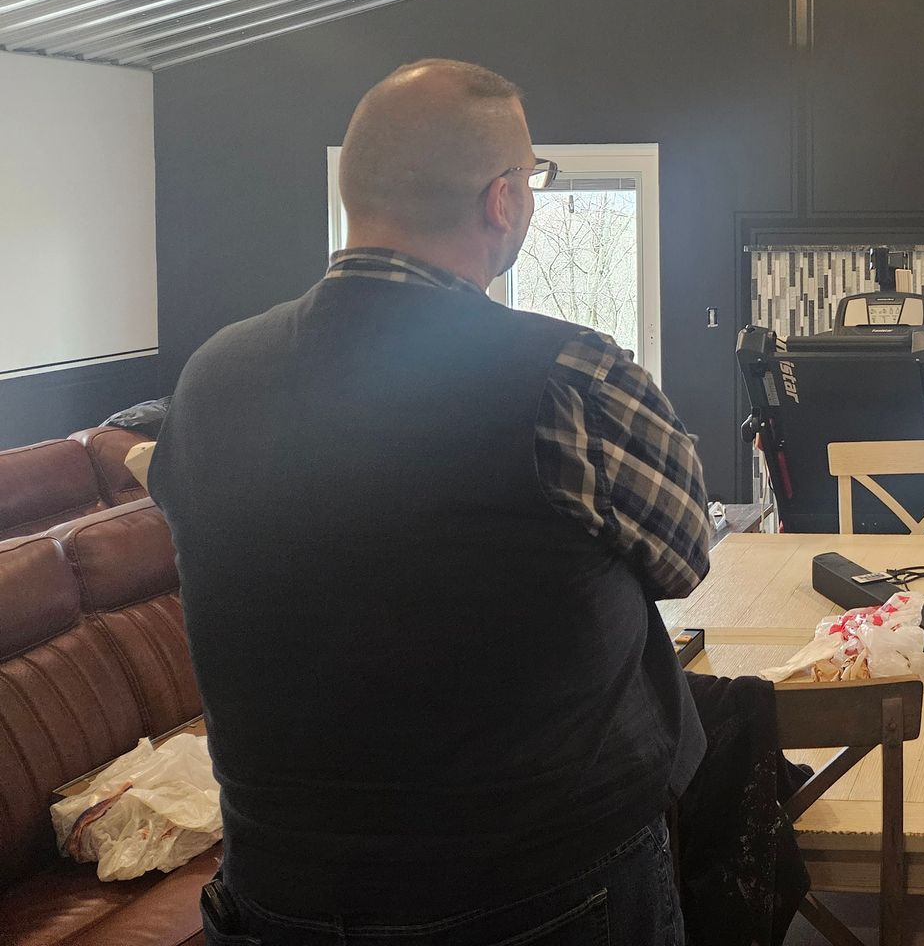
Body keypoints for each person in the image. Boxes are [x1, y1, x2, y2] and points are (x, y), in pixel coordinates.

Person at [151, 60, 711, 946]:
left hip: (276, 899)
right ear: (502, 202)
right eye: (530, 178)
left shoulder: (212, 375)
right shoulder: (569, 376)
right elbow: (685, 553)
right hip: (545, 897)